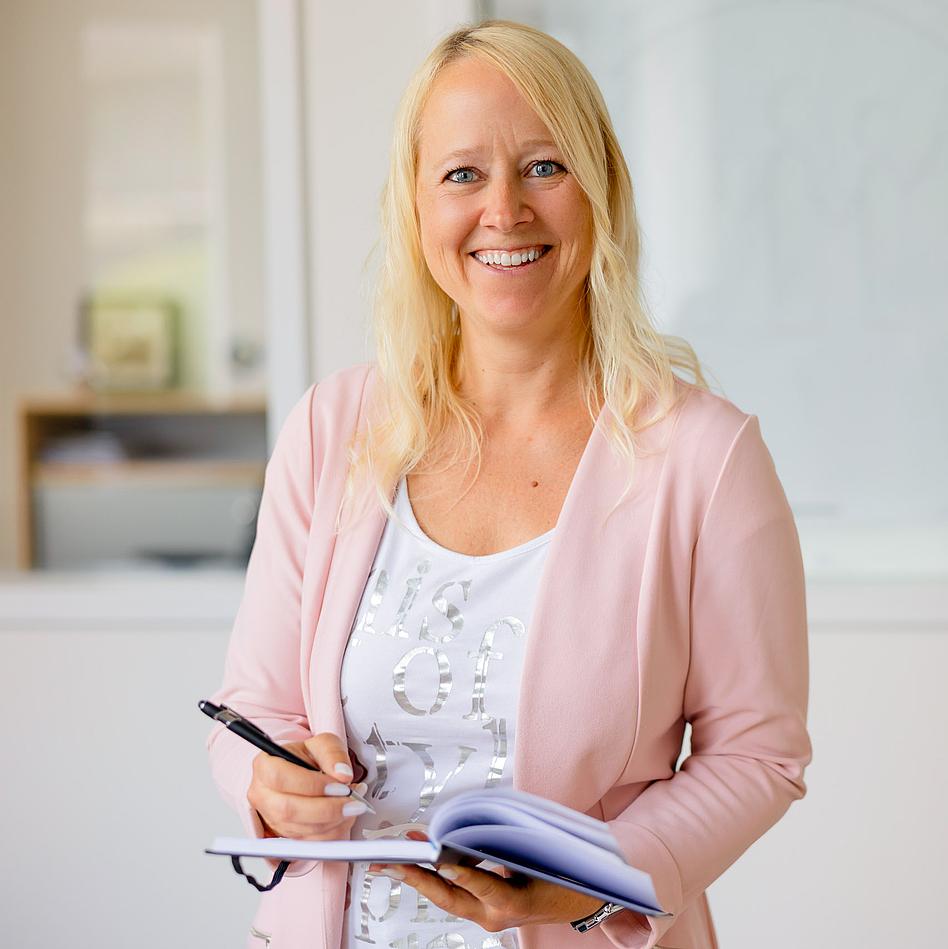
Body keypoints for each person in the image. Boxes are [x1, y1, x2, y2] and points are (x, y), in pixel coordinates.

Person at [207, 19, 811, 949]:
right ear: (414, 206)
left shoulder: (707, 458)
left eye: (543, 167)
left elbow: (759, 753)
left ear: (600, 188)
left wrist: (593, 884)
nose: (505, 211)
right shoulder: (333, 429)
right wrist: (265, 777)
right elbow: (254, 711)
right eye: (461, 174)